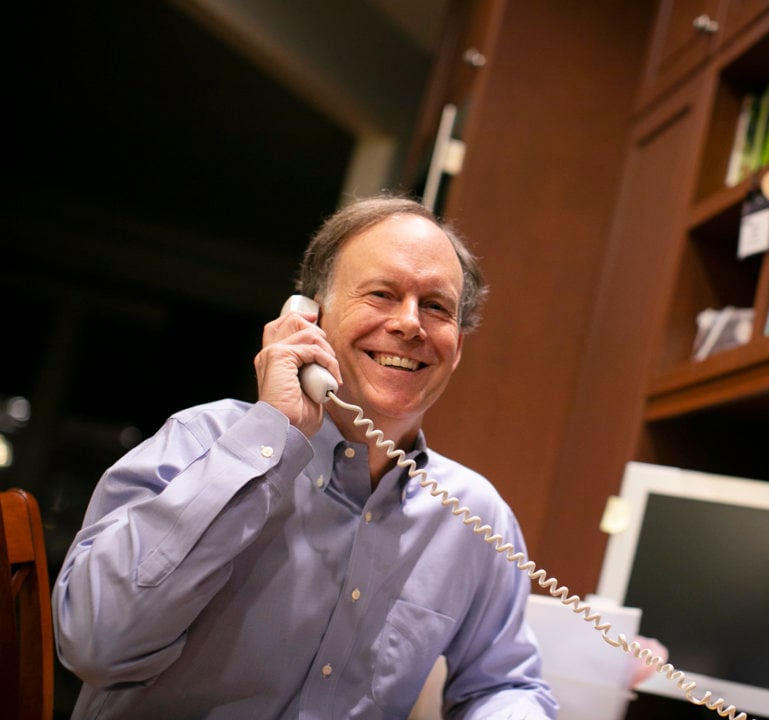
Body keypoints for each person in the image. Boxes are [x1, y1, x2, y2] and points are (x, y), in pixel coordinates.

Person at [52, 195, 558, 719]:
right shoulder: (200, 441)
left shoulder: (474, 515)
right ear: (308, 318)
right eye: (382, 294)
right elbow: (93, 644)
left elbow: (504, 684)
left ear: (457, 344)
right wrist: (268, 438)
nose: (411, 324)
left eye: (435, 306)